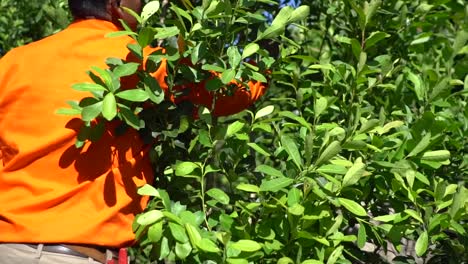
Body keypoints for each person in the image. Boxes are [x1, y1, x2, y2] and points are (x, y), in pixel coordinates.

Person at [0, 0, 267, 263]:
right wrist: (264, 70)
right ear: (116, 4)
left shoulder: (13, 63)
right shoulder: (136, 62)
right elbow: (222, 93)